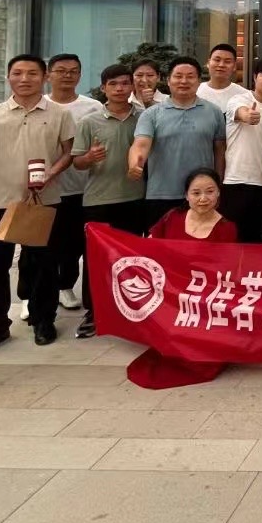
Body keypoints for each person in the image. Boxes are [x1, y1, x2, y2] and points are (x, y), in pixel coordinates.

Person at [0, 54, 75, 356]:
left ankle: (43, 320)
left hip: (43, 200)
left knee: (44, 265)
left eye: (32, 73)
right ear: (8, 77)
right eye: (18, 73)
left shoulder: (60, 114)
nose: (25, 79)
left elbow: (68, 153)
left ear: (44, 77)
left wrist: (52, 173)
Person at [126, 167, 239, 390]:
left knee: (204, 360)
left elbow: (228, 272)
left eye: (210, 191)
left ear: (219, 193)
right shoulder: (172, 218)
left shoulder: (227, 228)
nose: (203, 198)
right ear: (186, 195)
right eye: (196, 193)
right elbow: (149, 246)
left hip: (205, 301)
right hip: (172, 296)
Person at [72, 63, 146, 338]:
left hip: (135, 198)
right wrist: (89, 158)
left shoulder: (144, 118)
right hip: (98, 200)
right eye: (113, 84)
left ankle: (129, 309)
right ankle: (94, 312)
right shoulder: (89, 122)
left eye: (125, 83)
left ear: (132, 87)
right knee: (97, 259)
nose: (119, 88)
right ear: (104, 88)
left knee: (131, 259)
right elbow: (77, 162)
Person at [128, 56, 226, 231]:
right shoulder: (152, 114)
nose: (184, 81)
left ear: (199, 81)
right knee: (160, 246)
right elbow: (141, 144)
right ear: (168, 80)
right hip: (161, 194)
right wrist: (135, 163)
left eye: (190, 76)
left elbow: (219, 151)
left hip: (202, 196)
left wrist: (218, 185)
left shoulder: (214, 112)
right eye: (178, 76)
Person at [44, 53, 103, 315]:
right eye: (60, 70)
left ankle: (65, 286)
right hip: (42, 188)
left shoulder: (93, 107)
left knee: (73, 243)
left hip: (81, 186)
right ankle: (31, 294)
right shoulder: (40, 104)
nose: (67, 76)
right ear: (49, 74)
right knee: (37, 242)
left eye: (73, 71)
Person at [221, 55, 262, 244]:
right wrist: (247, 115)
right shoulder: (239, 99)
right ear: (255, 77)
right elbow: (240, 112)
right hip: (237, 181)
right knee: (234, 240)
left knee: (259, 242)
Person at [198, 43, 246, 109]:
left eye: (227, 61)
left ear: (234, 66)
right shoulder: (195, 91)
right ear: (208, 63)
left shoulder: (244, 95)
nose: (221, 65)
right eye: (217, 60)